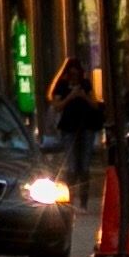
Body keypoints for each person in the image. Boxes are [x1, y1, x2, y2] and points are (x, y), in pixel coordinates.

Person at [48, 57, 105, 189]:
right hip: (69, 127)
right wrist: (70, 96)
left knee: (85, 167)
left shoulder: (85, 84)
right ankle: (71, 196)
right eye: (72, 74)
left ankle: (83, 201)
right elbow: (57, 106)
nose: (74, 77)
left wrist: (83, 96)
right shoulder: (61, 85)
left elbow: (95, 104)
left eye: (77, 74)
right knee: (71, 166)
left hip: (86, 125)